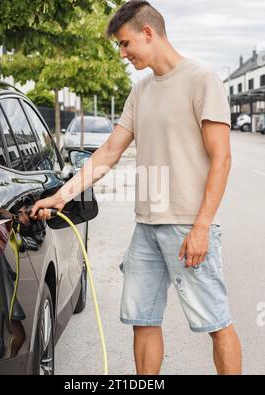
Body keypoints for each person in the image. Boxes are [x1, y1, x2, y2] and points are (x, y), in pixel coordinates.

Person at [30, 0, 242, 375]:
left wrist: (202, 227)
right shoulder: (141, 92)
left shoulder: (201, 79)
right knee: (142, 319)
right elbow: (109, 153)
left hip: (187, 225)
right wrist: (62, 195)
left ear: (148, 32)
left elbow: (221, 159)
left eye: (126, 44)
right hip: (146, 227)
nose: (123, 53)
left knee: (215, 322)